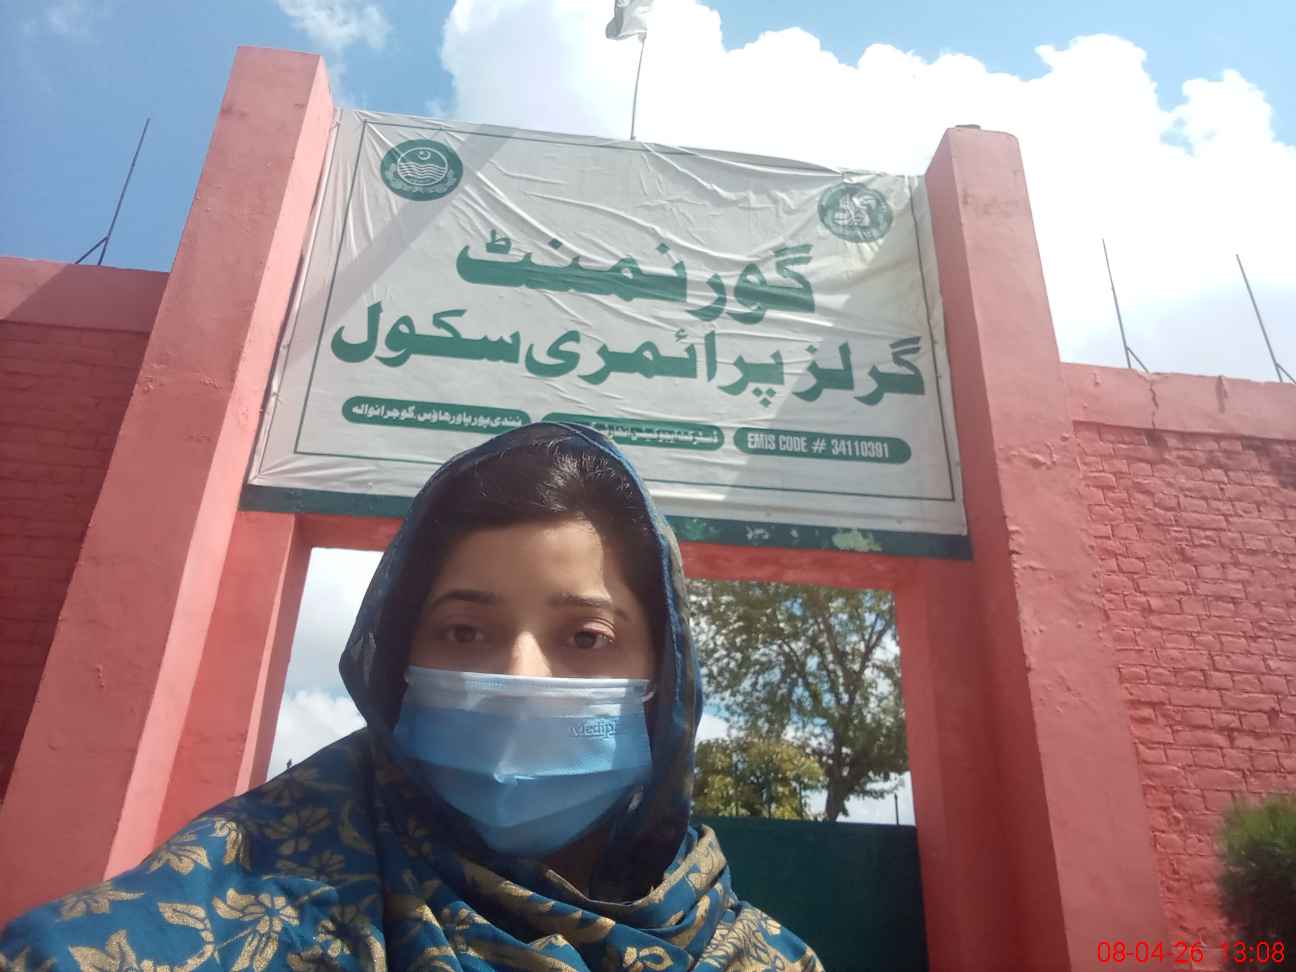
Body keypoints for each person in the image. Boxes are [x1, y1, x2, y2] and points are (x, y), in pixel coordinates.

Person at [0, 421, 824, 970]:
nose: (519, 675)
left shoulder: (749, 955)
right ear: (397, 661)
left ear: (665, 684)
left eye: (585, 638)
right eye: (464, 631)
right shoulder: (234, 904)